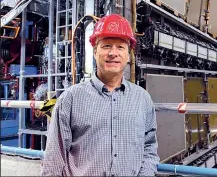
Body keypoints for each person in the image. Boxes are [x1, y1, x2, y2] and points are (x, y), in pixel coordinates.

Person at [41, 14, 160, 176]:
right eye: (106, 46)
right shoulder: (70, 99)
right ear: (95, 51)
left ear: (128, 53)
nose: (113, 53)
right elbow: (54, 160)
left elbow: (149, 147)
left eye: (120, 47)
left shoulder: (142, 99)